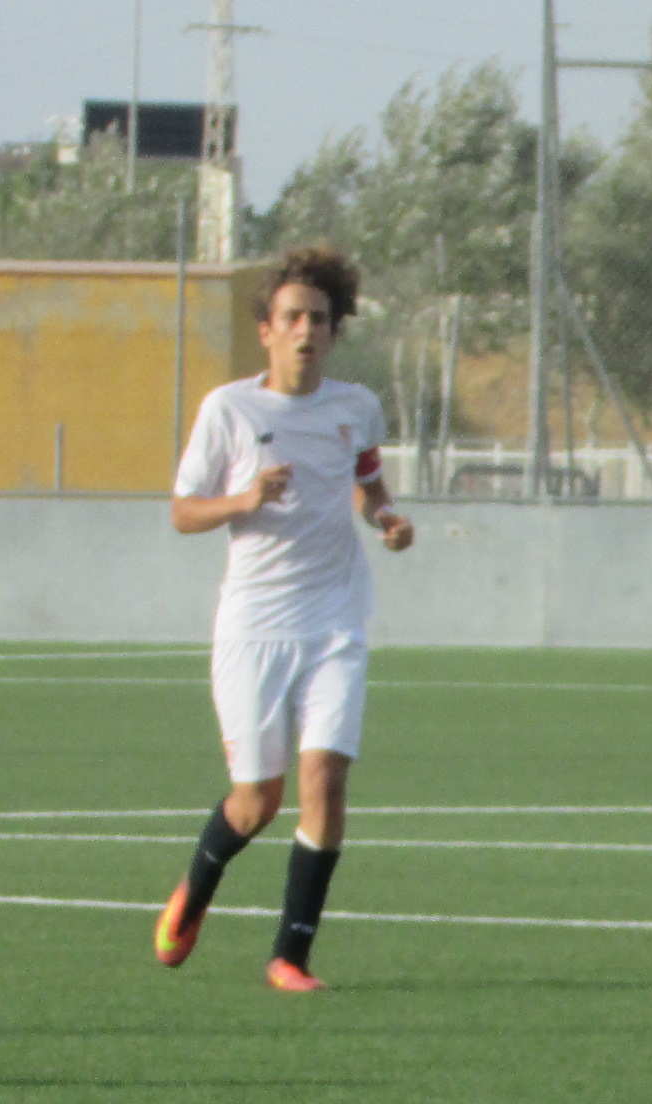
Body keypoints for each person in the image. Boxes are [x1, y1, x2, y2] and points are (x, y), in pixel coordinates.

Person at [155, 244, 413, 990]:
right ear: (266, 330)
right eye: (292, 317)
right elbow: (182, 512)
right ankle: (194, 891)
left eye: (320, 319)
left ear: (334, 333)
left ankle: (290, 957)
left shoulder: (355, 406)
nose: (307, 329)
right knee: (255, 801)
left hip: (336, 617)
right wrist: (243, 500)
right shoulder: (229, 408)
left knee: (324, 778)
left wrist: (389, 518)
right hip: (254, 626)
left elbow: (368, 482)